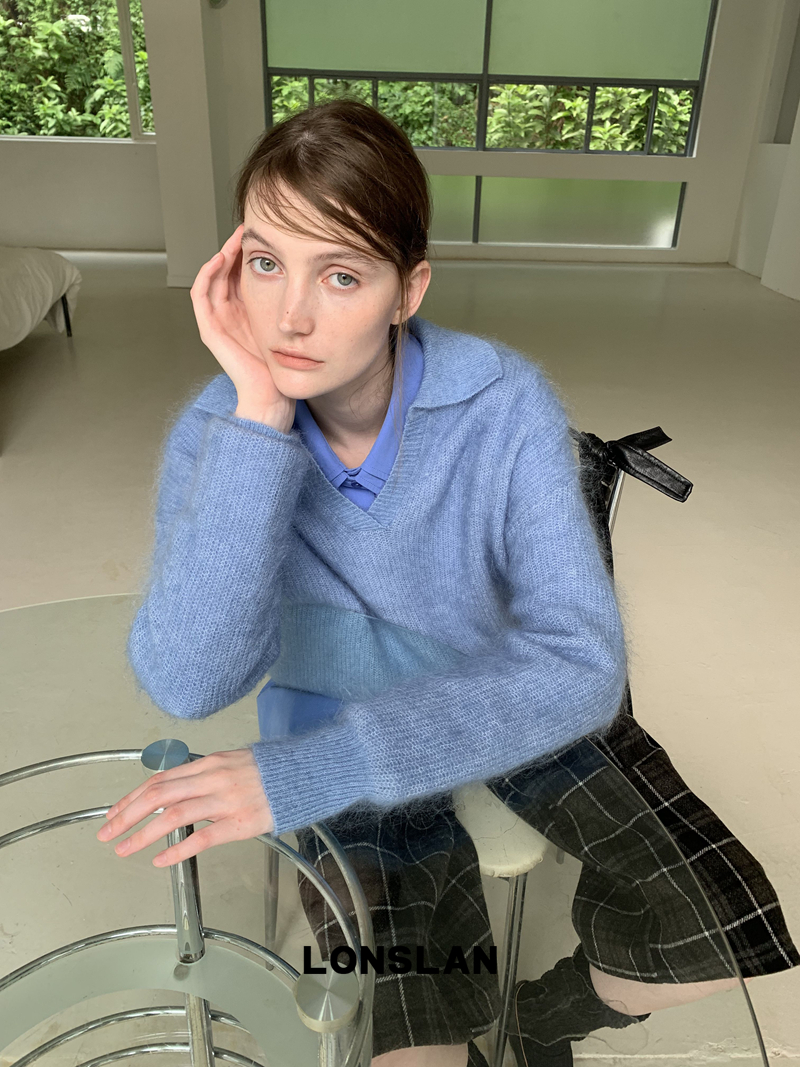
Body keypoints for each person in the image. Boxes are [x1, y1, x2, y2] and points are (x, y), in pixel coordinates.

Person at [99, 101, 799, 1067]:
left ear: (408, 289)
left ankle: (538, 1017)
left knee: (710, 945)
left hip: (500, 700)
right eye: (265, 262)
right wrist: (257, 419)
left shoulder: (503, 400)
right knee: (410, 1051)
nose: (289, 316)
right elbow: (187, 682)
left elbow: (581, 665)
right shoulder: (220, 432)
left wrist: (310, 772)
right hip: (335, 731)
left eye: (340, 274)